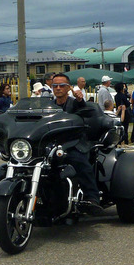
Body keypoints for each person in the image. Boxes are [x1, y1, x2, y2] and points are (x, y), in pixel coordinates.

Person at [51, 73, 103, 214]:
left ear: (68, 87)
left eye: (62, 85)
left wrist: (80, 100)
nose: (58, 88)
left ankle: (92, 198)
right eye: (55, 85)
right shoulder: (49, 105)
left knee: (80, 162)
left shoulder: (75, 103)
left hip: (74, 143)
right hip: (52, 145)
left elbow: (84, 110)